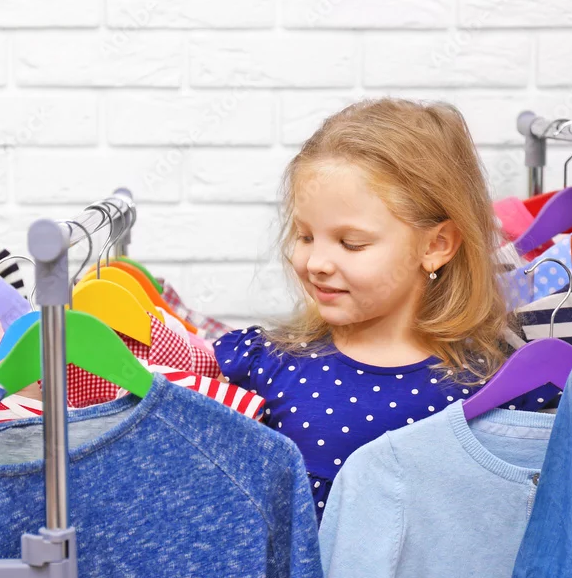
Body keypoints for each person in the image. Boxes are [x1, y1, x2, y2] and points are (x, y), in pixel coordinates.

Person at [216, 98, 547, 521]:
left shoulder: (493, 387)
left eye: (351, 243)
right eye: (305, 236)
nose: (316, 262)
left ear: (435, 245)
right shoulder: (263, 366)